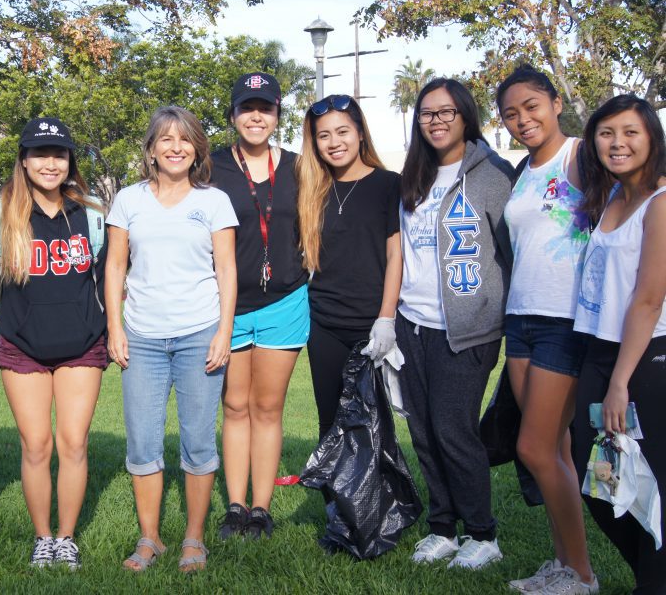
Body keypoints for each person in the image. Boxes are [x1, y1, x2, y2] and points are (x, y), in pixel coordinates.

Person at [105, 106, 237, 572]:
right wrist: (115, 326)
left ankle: (193, 540)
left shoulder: (215, 201)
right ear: (152, 150)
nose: (176, 147)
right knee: (142, 442)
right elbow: (116, 265)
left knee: (199, 441)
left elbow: (226, 268)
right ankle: (149, 539)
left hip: (200, 333)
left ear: (197, 148)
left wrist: (224, 330)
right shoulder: (128, 200)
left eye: (185, 139)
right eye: (166, 139)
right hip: (141, 337)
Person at [395, 78, 514, 570]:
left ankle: (482, 533)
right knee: (423, 431)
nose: (437, 120)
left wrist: (496, 311)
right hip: (412, 323)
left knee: (454, 430)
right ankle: (443, 527)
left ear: (465, 115)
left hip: (466, 331)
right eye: (427, 113)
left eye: (446, 112)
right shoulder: (413, 177)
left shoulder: (492, 175)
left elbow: (512, 250)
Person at [497, 66, 597, 593]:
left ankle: (581, 573)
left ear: (556, 103)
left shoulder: (582, 154)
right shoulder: (523, 170)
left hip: (567, 319)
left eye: (532, 106)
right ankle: (564, 565)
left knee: (533, 448)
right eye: (511, 113)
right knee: (552, 450)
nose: (522, 120)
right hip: (523, 317)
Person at [0, 117, 107, 570]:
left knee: (73, 443)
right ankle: (43, 537)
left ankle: (67, 537)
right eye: (39, 153)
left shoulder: (93, 213)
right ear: (23, 160)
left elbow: (111, 274)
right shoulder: (2, 213)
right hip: (22, 345)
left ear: (69, 162)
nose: (49, 162)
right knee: (36, 445)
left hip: (82, 343)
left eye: (58, 154)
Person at [210, 72, 309, 540]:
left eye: (265, 108)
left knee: (268, 406)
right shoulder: (208, 168)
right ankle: (234, 505)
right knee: (234, 404)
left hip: (284, 301)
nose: (255, 116)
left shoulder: (298, 166)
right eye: (247, 108)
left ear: (276, 116)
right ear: (232, 115)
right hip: (227, 304)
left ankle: (261, 509)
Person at [573, 94, 665, 595]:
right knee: (598, 476)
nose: (618, 143)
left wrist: (620, 384)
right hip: (601, 350)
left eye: (630, 132)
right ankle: (649, 575)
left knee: (648, 481)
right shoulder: (614, 195)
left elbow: (649, 300)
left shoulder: (660, 202)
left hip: (645, 359)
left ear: (651, 136)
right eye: (606, 133)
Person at [296, 94, 401, 441]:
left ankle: (378, 497)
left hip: (371, 325)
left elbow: (395, 255)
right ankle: (334, 496)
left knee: (372, 422)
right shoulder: (311, 189)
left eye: (342, 132)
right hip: (323, 323)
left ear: (360, 133)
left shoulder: (389, 185)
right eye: (323, 135)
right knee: (330, 419)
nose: (334, 142)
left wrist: (386, 319)